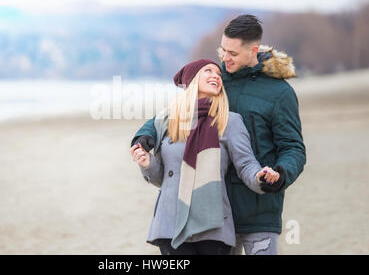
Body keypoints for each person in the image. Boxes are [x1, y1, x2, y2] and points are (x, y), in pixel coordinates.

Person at [131, 15, 306, 255]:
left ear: (253, 50)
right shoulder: (216, 82)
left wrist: (280, 174)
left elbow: (293, 147)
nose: (225, 58)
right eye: (223, 50)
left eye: (232, 54)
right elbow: (169, 117)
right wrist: (144, 137)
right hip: (212, 214)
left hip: (258, 208)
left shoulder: (279, 93)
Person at [130, 59, 281, 255]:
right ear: (192, 80)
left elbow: (246, 164)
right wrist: (147, 163)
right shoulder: (168, 120)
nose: (216, 76)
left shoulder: (229, 121)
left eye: (218, 74)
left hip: (213, 223)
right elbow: (165, 178)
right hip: (170, 221)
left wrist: (261, 176)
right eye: (208, 71)